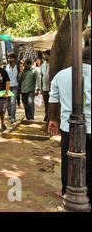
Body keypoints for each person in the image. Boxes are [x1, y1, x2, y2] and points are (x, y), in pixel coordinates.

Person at [48, 46, 91, 202]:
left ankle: (67, 191)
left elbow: (53, 98)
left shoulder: (61, 75)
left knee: (68, 162)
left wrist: (53, 120)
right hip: (89, 129)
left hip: (68, 128)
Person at [36, 50, 51, 122]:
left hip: (52, 88)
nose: (44, 56)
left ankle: (50, 117)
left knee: (51, 104)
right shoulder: (43, 65)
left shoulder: (53, 64)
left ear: (49, 55)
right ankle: (47, 116)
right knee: (46, 104)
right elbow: (41, 77)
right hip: (45, 88)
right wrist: (41, 88)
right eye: (44, 55)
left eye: (45, 55)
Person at [5, 53, 19, 123]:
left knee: (13, 102)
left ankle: (13, 117)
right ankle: (9, 114)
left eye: (11, 58)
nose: (9, 59)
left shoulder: (18, 67)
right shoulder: (6, 67)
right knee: (7, 101)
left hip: (15, 86)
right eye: (8, 58)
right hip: (7, 86)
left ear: (14, 59)